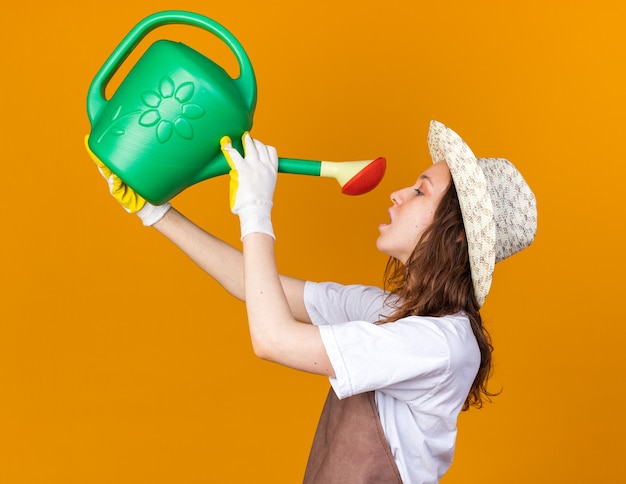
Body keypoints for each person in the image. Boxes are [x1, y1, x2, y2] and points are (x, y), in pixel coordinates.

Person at [91, 120, 537, 483]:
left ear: (455, 234)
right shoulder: (389, 314)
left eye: (420, 191)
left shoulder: (440, 343)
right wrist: (157, 214)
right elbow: (260, 288)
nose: (397, 194)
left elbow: (272, 339)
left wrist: (256, 211)